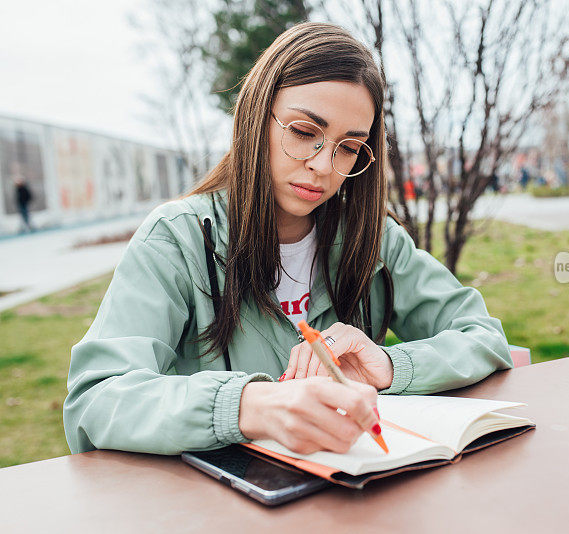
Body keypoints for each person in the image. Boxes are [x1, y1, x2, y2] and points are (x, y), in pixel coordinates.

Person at [63, 23, 514, 458]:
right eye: (304, 133)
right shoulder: (177, 239)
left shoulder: (374, 240)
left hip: (354, 495)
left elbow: (482, 335)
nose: (323, 165)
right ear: (257, 117)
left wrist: (393, 367)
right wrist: (247, 406)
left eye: (350, 147)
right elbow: (96, 398)